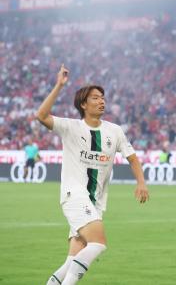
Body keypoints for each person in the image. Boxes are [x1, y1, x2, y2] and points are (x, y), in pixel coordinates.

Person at [37, 65, 149, 285]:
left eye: (102, 97)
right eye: (95, 98)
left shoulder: (114, 131)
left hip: (95, 201)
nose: (101, 101)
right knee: (98, 244)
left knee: (71, 261)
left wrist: (141, 183)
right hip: (74, 196)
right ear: (83, 104)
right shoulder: (70, 127)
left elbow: (132, 157)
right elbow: (41, 115)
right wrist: (59, 85)